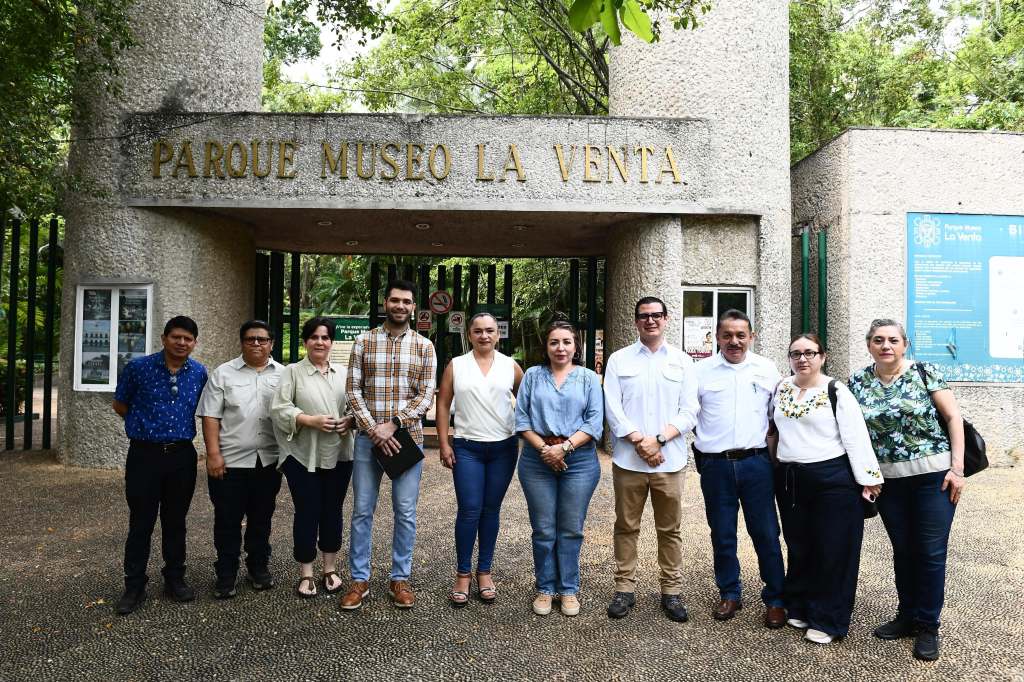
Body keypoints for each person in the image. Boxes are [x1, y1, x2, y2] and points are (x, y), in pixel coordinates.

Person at [848, 319, 966, 662]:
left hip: (934, 478)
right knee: (903, 549)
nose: (886, 346)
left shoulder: (925, 372)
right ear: (869, 344)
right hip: (889, 483)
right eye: (879, 340)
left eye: (893, 340)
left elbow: (953, 417)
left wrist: (957, 469)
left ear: (905, 344)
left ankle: (928, 625)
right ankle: (907, 615)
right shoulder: (858, 381)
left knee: (929, 552)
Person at [772, 333, 883, 644]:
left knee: (833, 549)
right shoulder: (782, 388)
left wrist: (868, 480)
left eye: (809, 353)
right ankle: (801, 605)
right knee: (800, 545)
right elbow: (773, 431)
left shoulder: (837, 391)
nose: (802, 359)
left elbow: (856, 437)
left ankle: (828, 619)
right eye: (796, 353)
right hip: (792, 479)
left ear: (823, 356)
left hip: (832, 479)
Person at [685, 309, 787, 628]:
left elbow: (778, 415)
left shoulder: (767, 369)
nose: (734, 341)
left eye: (741, 335)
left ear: (751, 337)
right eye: (727, 335)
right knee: (723, 534)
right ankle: (730, 592)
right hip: (715, 467)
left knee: (767, 534)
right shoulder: (699, 371)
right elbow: (688, 413)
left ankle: (775, 599)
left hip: (757, 464)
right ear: (716, 337)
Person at [342, 279, 437, 610]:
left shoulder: (425, 346)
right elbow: (353, 389)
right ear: (385, 303)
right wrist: (372, 429)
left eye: (406, 302)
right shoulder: (363, 341)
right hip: (369, 442)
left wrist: (393, 424)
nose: (400, 306)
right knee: (362, 511)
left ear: (413, 307)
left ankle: (400, 578)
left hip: (406, 441)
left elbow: (426, 394)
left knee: (406, 512)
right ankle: (359, 579)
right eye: (395, 300)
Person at [603, 296, 697, 623]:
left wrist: (657, 440)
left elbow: (689, 412)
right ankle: (624, 589)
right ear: (636, 321)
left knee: (669, 529)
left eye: (656, 315)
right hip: (629, 461)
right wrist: (638, 440)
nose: (651, 321)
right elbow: (612, 408)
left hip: (669, 463)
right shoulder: (619, 360)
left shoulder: (683, 362)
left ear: (666, 319)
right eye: (644, 316)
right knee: (626, 526)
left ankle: (671, 592)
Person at [112, 316, 208, 615]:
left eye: (188, 339)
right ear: (165, 338)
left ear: (194, 343)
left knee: (176, 520)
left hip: (182, 456)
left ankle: (175, 578)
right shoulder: (139, 368)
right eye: (176, 337)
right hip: (145, 455)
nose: (182, 343)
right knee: (141, 521)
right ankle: (134, 584)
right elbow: (120, 403)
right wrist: (144, 427)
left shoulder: (199, 372)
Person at [515, 321, 604, 617]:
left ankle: (568, 589)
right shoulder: (532, 376)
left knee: (570, 528)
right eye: (554, 342)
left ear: (576, 346)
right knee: (543, 529)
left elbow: (594, 423)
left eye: (567, 342)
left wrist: (563, 448)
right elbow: (522, 419)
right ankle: (544, 587)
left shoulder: (589, 378)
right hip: (536, 459)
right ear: (546, 347)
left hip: (578, 460)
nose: (561, 348)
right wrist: (545, 450)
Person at [436, 312, 524, 607]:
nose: (484, 336)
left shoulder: (510, 366)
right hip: (467, 447)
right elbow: (443, 403)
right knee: (469, 510)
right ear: (469, 334)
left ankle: (484, 571)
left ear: (497, 334)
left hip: (503, 448)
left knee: (491, 510)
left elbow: (526, 402)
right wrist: (445, 442)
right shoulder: (456, 365)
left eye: (490, 331)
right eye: (478, 331)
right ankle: (463, 574)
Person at [198, 320, 284, 599]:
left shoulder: (284, 374)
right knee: (227, 520)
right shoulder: (223, 373)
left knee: (262, 518)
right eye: (250, 339)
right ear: (242, 342)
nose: (256, 344)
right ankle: (226, 573)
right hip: (230, 462)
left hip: (268, 461)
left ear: (271, 343)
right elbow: (211, 416)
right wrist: (213, 455)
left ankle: (258, 567)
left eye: (262, 339)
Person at [271, 317, 355, 599]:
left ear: (332, 342)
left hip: (340, 454)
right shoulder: (292, 372)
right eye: (315, 337)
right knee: (307, 511)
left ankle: (329, 568)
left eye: (326, 337)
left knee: (332, 510)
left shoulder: (344, 373)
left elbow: (356, 405)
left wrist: (350, 421)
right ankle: (306, 571)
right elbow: (280, 409)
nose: (320, 342)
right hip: (302, 456)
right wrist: (308, 420)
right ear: (305, 341)